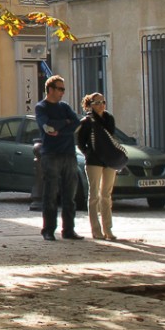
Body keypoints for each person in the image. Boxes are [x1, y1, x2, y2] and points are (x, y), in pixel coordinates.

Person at [34, 74, 83, 241]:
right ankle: (48, 230)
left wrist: (60, 129)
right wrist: (65, 123)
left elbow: (77, 123)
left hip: (69, 154)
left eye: (63, 89)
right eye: (60, 88)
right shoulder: (41, 107)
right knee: (51, 193)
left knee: (70, 194)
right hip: (51, 154)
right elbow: (47, 127)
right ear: (50, 89)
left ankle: (68, 230)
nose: (63, 92)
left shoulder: (65, 107)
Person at [76, 93, 118, 240]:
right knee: (94, 195)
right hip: (94, 161)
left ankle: (108, 229)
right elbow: (80, 142)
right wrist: (89, 153)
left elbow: (111, 136)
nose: (101, 105)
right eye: (97, 102)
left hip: (109, 160)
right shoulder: (86, 121)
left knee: (106, 195)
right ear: (91, 104)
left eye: (103, 102)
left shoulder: (109, 118)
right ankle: (96, 230)